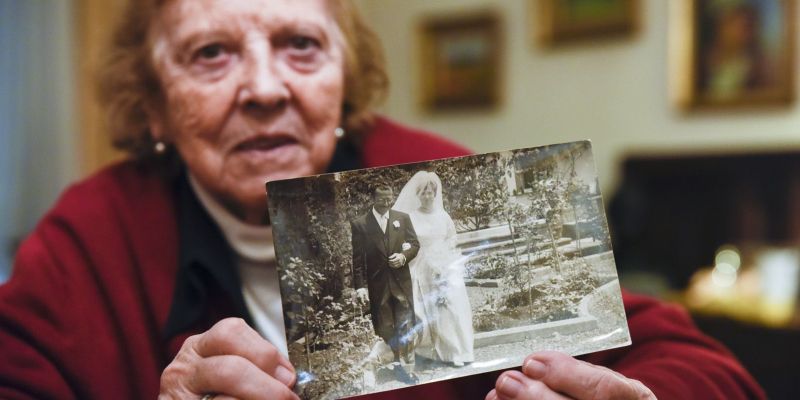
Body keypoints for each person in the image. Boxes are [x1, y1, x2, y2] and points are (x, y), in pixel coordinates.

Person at [0, 0, 766, 399]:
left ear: (345, 83)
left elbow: (708, 367)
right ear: (155, 107)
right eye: (211, 53)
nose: (267, 89)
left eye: (302, 45)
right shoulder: (91, 234)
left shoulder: (430, 183)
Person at [393, 171, 474, 367]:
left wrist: (446, 257)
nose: (427, 197)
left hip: (445, 266)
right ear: (417, 195)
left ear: (435, 193)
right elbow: (407, 244)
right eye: (423, 193)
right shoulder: (411, 217)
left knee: (454, 307)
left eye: (430, 192)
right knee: (435, 309)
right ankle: (449, 353)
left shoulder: (442, 215)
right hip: (423, 269)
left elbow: (451, 237)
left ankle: (463, 351)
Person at [350, 185, 420, 384]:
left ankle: (405, 369)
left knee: (405, 324)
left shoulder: (402, 217)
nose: (387, 202)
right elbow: (357, 259)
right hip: (378, 285)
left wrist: (403, 256)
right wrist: (360, 286)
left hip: (401, 283)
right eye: (382, 199)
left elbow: (415, 244)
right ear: (373, 198)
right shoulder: (360, 224)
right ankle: (395, 361)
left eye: (389, 198)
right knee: (386, 327)